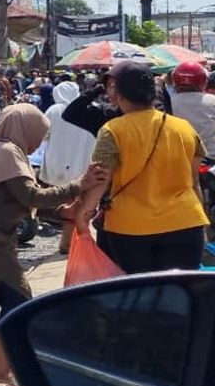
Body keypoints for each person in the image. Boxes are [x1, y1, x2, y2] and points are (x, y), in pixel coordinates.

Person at [0, 104, 107, 386]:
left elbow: (19, 201)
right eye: (37, 133)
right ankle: (16, 368)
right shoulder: (7, 152)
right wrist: (78, 184)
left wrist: (61, 210)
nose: (37, 141)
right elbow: (31, 196)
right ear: (23, 128)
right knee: (18, 296)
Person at [73, 61, 211, 274]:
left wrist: (84, 215)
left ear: (118, 94)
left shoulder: (112, 130)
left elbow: (101, 178)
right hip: (185, 223)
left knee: (141, 296)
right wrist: (201, 222)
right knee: (181, 297)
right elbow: (193, 182)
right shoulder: (183, 128)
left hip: (130, 229)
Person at [40, 80, 97, 254]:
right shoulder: (91, 107)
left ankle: (68, 242)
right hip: (84, 164)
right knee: (83, 206)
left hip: (57, 164)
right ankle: (78, 241)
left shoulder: (53, 111)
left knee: (66, 206)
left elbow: (43, 135)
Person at [167, 61, 215, 155]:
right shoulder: (212, 101)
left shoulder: (169, 102)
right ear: (203, 81)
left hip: (179, 156)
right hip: (210, 156)